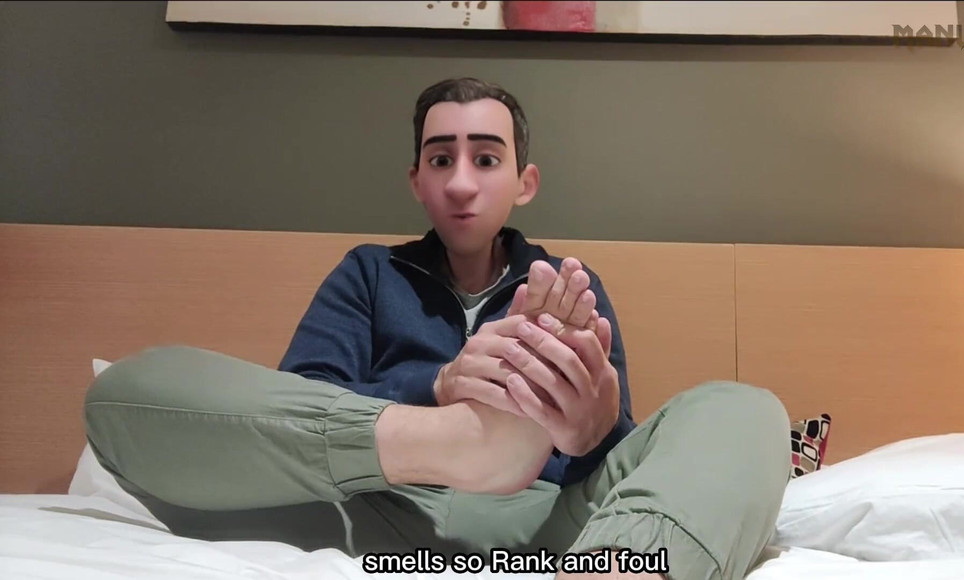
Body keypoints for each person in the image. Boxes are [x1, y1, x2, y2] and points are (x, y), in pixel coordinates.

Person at [84, 77, 791, 580]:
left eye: (486, 158)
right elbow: (298, 412)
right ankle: (466, 446)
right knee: (126, 393)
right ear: (416, 179)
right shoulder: (367, 273)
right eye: (440, 159)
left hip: (546, 526)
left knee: (742, 409)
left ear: (524, 181)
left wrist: (598, 429)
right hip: (376, 509)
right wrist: (441, 393)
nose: (460, 182)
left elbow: (602, 465)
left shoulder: (565, 283)